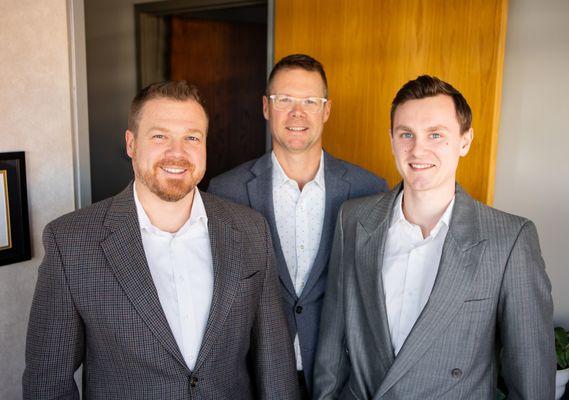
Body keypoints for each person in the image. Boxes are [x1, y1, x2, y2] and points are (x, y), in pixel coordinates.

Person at [23, 81, 300, 400]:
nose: (177, 153)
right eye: (160, 136)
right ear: (131, 144)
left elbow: (275, 363)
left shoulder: (251, 230)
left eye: (191, 137)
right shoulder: (70, 243)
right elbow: (47, 383)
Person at [313, 75, 555, 399]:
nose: (418, 149)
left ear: (465, 141)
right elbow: (332, 342)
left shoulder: (510, 240)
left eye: (436, 134)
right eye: (406, 134)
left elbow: (531, 381)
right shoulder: (353, 219)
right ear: (392, 139)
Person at [208, 54, 388, 396]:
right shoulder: (225, 191)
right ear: (266, 107)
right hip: (255, 377)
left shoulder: (370, 189)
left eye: (310, 101)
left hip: (340, 379)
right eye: (284, 100)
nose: (297, 112)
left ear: (326, 110)